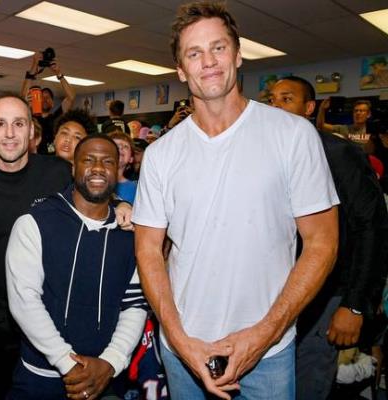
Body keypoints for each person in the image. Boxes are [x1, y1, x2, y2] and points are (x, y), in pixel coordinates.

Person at [132, 3, 340, 399]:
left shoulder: (292, 135)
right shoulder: (161, 154)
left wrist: (263, 335)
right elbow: (148, 250)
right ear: (180, 70)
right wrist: (178, 337)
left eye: (218, 48)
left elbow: (323, 244)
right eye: (194, 53)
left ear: (238, 54)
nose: (207, 61)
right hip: (183, 352)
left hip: (269, 355)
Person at [0, 93, 133, 400]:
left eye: (19, 123)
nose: (9, 133)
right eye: (0, 124)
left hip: (62, 319)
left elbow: (95, 192)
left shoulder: (58, 172)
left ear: (32, 131)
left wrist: (122, 203)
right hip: (1, 321)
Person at [269, 76, 388, 399]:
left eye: (286, 99)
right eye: (272, 100)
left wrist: (355, 305)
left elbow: (371, 228)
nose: (276, 107)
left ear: (309, 108)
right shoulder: (266, 155)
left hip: (327, 295)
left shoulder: (338, 153)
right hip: (275, 293)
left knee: (308, 383)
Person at [6, 135, 147, 399]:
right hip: (40, 378)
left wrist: (111, 361)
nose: (97, 168)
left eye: (107, 161)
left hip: (106, 378)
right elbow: (24, 301)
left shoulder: (131, 233)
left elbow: (135, 304)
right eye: (88, 160)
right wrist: (68, 363)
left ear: (118, 170)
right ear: (73, 167)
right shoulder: (34, 223)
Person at [21, 52, 76, 154]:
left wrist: (59, 74)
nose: (45, 100)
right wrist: (34, 65)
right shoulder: (31, 118)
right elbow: (23, 97)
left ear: (53, 103)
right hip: (34, 159)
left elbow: (71, 97)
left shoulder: (57, 117)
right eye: (42, 97)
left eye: (48, 98)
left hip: (52, 160)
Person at [109, 131, 137, 204]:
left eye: (125, 146)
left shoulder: (137, 188)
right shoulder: (95, 182)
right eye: (115, 145)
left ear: (131, 158)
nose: (120, 147)